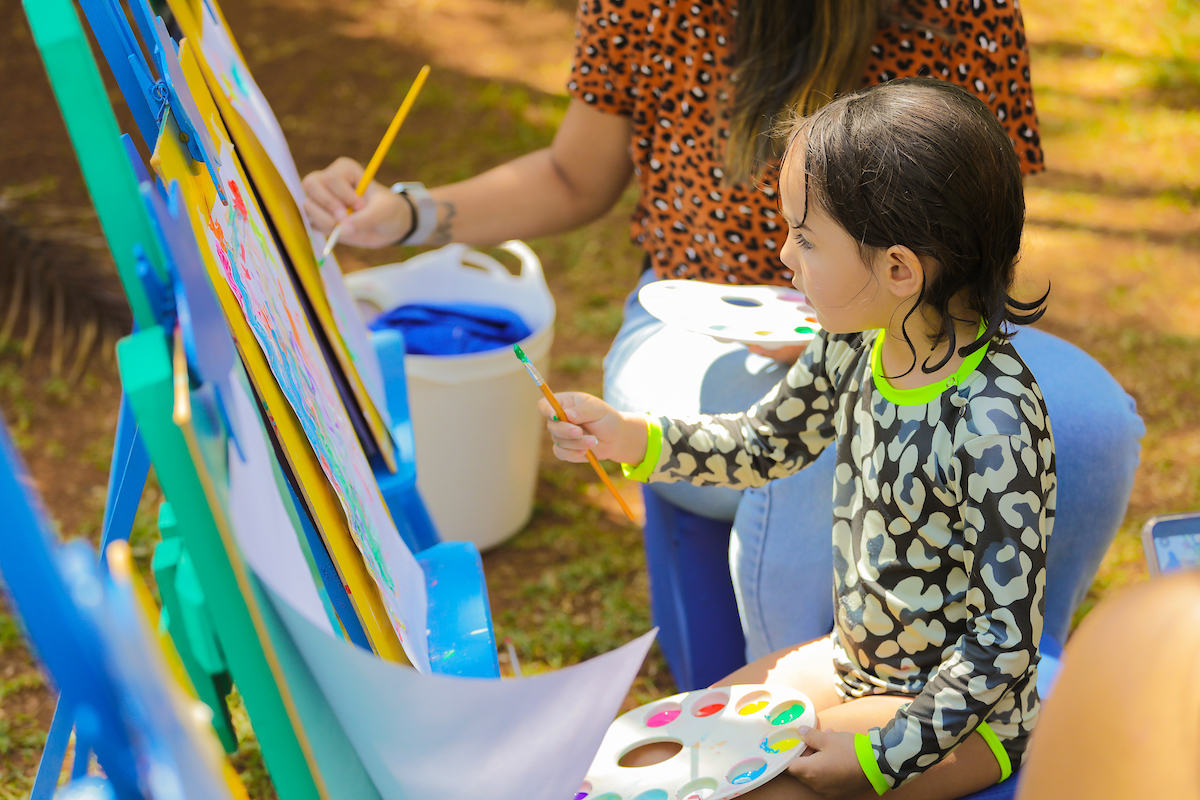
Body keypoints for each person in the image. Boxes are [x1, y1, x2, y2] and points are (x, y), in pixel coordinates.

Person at [303, 0, 1142, 686]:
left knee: (1095, 424)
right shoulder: (649, 9)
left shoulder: (962, 12)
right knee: (836, 444)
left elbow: (985, 222)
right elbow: (572, 176)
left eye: (801, 237)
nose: (783, 251)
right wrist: (411, 213)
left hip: (910, 320)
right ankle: (786, 699)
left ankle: (1025, 686)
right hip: (696, 321)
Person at [541, 78, 1052, 799]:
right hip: (852, 663)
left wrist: (877, 756)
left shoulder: (995, 417)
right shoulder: (858, 347)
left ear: (900, 270)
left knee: (764, 790)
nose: (784, 256)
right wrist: (628, 435)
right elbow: (763, 445)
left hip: (965, 718)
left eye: (806, 239)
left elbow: (1002, 642)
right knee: (673, 752)